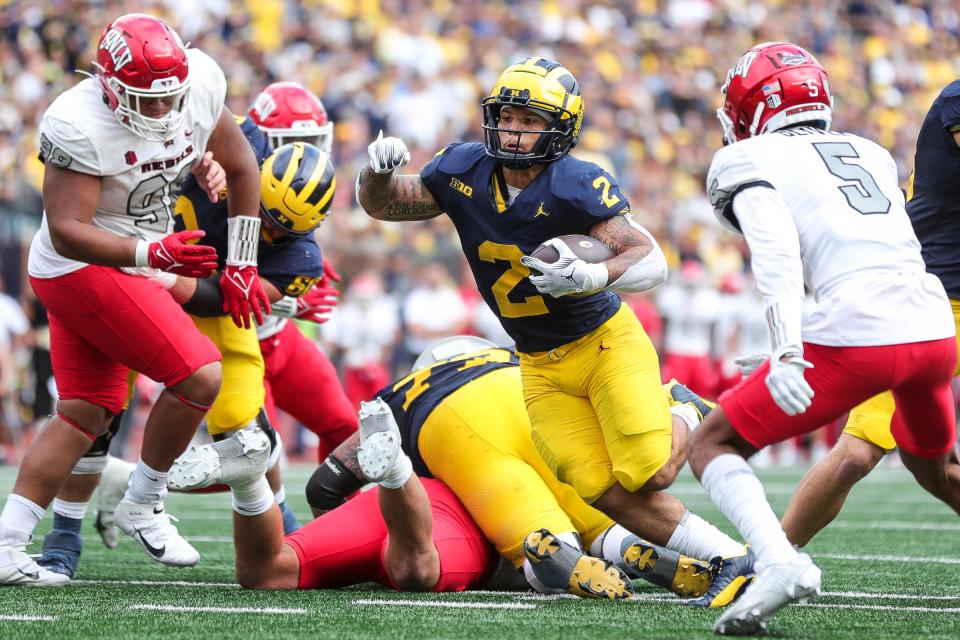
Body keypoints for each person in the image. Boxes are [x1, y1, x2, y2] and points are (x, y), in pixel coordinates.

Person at [356, 57, 752, 603]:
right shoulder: (462, 170)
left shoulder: (576, 183)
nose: (514, 132)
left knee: (651, 474)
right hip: (538, 362)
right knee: (600, 490)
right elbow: (385, 206)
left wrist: (594, 274)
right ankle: (730, 558)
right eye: (507, 117)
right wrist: (372, 174)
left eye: (529, 120)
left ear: (560, 128)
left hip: (603, 341)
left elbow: (650, 258)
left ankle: (684, 406)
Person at [686, 42, 959, 635]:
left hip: (864, 337)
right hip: (935, 332)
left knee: (711, 444)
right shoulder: (869, 151)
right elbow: (873, 256)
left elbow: (779, 259)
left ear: (747, 107)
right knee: (934, 468)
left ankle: (777, 563)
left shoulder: (746, 159)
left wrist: (789, 349)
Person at [0, 13, 268, 586]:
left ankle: (7, 545)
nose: (160, 111)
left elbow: (243, 167)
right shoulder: (76, 120)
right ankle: (143, 500)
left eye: (168, 98)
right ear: (108, 83)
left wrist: (243, 263)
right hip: (81, 263)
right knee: (199, 374)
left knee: (84, 412)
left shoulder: (199, 84)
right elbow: (68, 227)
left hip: (129, 254)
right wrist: (153, 254)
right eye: (144, 100)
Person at [38, 137, 346, 577]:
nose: (271, 234)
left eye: (285, 232)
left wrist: (162, 275)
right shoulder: (241, 146)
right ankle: (63, 536)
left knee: (250, 437)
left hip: (192, 292)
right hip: (139, 267)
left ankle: (281, 527)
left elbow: (216, 301)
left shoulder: (300, 260)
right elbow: (181, 128)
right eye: (267, 218)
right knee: (96, 412)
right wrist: (198, 154)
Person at [307, 336, 742, 602]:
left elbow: (326, 484)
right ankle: (621, 543)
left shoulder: (401, 391)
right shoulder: (510, 358)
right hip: (532, 405)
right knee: (587, 502)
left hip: (451, 421)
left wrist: (357, 527)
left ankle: (555, 552)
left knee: (528, 525)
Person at [776, 79, 960, 548]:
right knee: (858, 453)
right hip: (928, 301)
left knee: (935, 467)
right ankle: (768, 563)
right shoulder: (956, 100)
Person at [247, 83, 357, 464]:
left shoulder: (300, 192)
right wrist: (291, 302)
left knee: (346, 429)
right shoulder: (231, 191)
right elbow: (216, 283)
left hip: (277, 338)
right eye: (294, 140)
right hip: (234, 341)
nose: (305, 154)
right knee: (260, 457)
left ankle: (333, 517)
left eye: (312, 140)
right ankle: (134, 481)